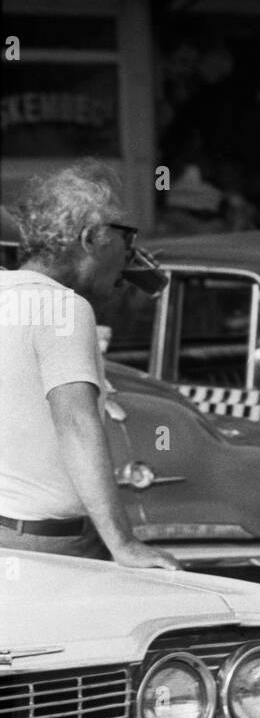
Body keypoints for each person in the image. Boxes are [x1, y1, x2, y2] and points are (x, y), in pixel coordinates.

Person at [0, 161, 177, 569]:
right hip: (53, 544)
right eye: (126, 235)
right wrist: (123, 543)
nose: (134, 253)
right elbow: (76, 424)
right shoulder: (63, 308)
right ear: (91, 237)